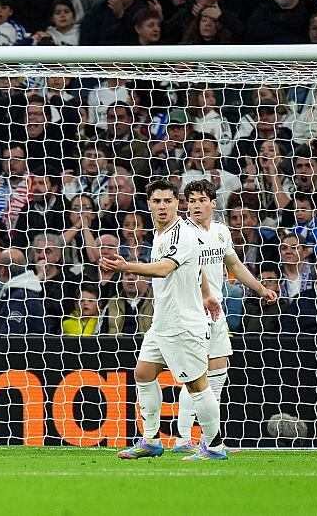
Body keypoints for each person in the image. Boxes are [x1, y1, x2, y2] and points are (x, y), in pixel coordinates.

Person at [100, 180, 227, 461]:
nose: (162, 206)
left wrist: (126, 266)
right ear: (149, 205)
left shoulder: (181, 234)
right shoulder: (160, 235)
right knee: (143, 374)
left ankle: (215, 448)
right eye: (157, 201)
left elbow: (164, 269)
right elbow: (198, 269)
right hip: (162, 322)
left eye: (168, 201)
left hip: (184, 324)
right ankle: (151, 441)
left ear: (177, 204)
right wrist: (207, 294)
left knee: (197, 385)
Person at [174, 179, 278, 453]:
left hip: (216, 313)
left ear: (212, 203)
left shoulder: (221, 232)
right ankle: (184, 439)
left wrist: (260, 289)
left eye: (200, 200)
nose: (195, 205)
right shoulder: (182, 232)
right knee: (196, 377)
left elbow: (234, 264)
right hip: (192, 313)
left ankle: (211, 438)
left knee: (217, 376)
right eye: (191, 201)